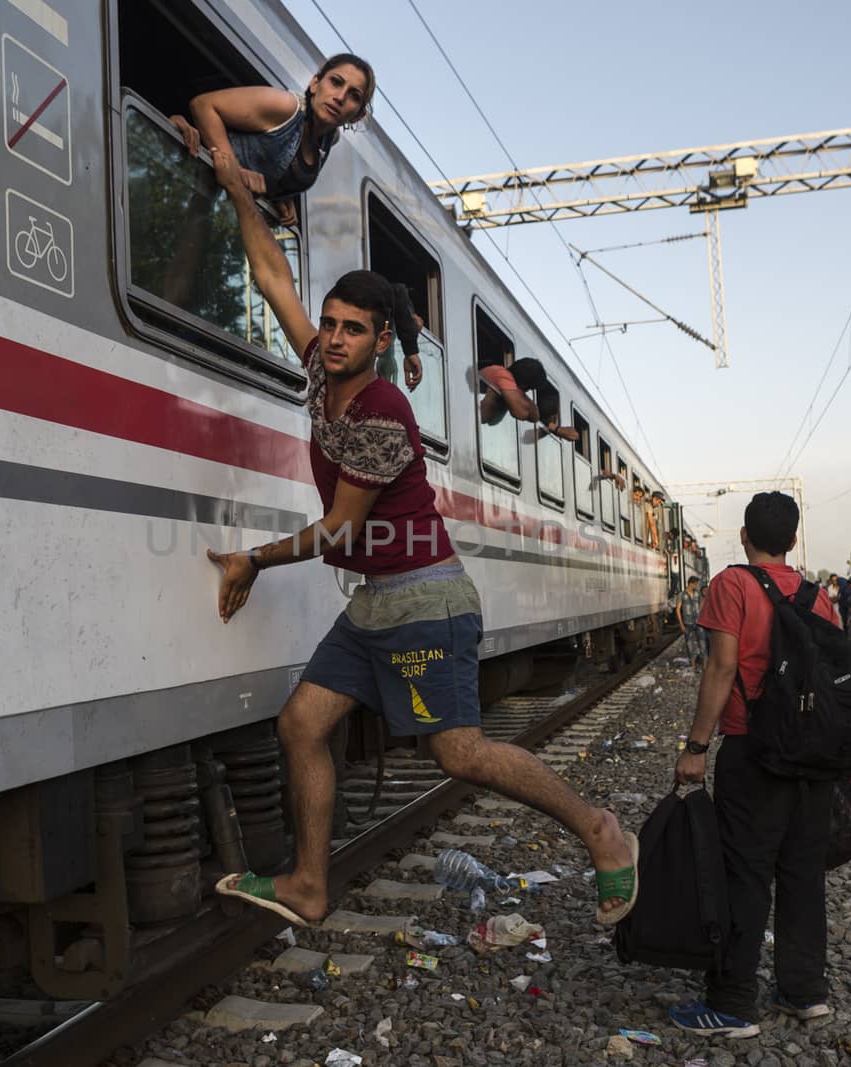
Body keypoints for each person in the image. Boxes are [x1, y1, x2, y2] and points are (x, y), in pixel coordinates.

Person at [200, 146, 639, 927]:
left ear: (379, 343)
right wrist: (238, 189)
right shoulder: (319, 370)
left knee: (459, 754)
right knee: (301, 723)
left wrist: (256, 559)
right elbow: (271, 275)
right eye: (329, 324)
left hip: (424, 601)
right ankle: (307, 881)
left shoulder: (381, 415)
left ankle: (603, 832)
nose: (332, 339)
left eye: (351, 331)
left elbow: (340, 525)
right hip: (376, 603)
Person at [670, 492, 841, 1038]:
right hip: (812, 757)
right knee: (802, 873)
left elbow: (721, 669)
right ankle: (804, 992)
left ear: (744, 536)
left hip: (752, 750)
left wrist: (696, 748)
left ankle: (731, 1004)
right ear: (793, 541)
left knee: (744, 874)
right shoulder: (820, 597)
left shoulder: (732, 585)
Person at [170, 54, 375, 227]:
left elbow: (269, 164)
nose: (340, 97)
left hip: (216, 210)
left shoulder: (329, 140)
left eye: (354, 95)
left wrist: (279, 196)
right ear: (315, 84)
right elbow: (204, 105)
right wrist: (232, 167)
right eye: (336, 82)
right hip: (186, 181)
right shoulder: (285, 106)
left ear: (357, 115)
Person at [677, 574, 706, 665]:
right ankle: (692, 664)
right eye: (696, 584)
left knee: (702, 643)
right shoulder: (682, 595)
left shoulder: (697, 594)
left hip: (698, 622)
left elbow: (701, 605)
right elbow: (678, 610)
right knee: (689, 645)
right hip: (687, 623)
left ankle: (705, 664)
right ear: (691, 584)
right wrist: (681, 624)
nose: (697, 586)